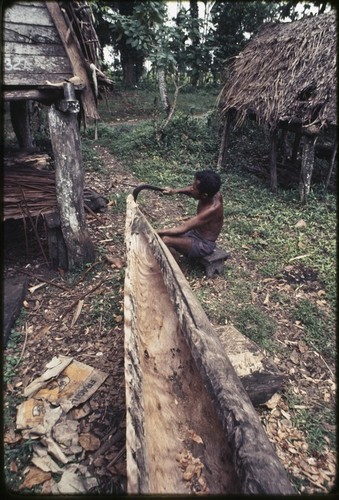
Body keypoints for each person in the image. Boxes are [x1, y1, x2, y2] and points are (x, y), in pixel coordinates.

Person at [157, 170, 223, 259]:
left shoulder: (211, 209)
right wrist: (174, 191)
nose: (191, 188)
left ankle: (178, 269)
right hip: (193, 233)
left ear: (204, 195)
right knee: (163, 235)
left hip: (204, 244)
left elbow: (182, 229)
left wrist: (153, 231)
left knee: (165, 240)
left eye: (194, 188)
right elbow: (191, 190)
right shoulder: (211, 192)